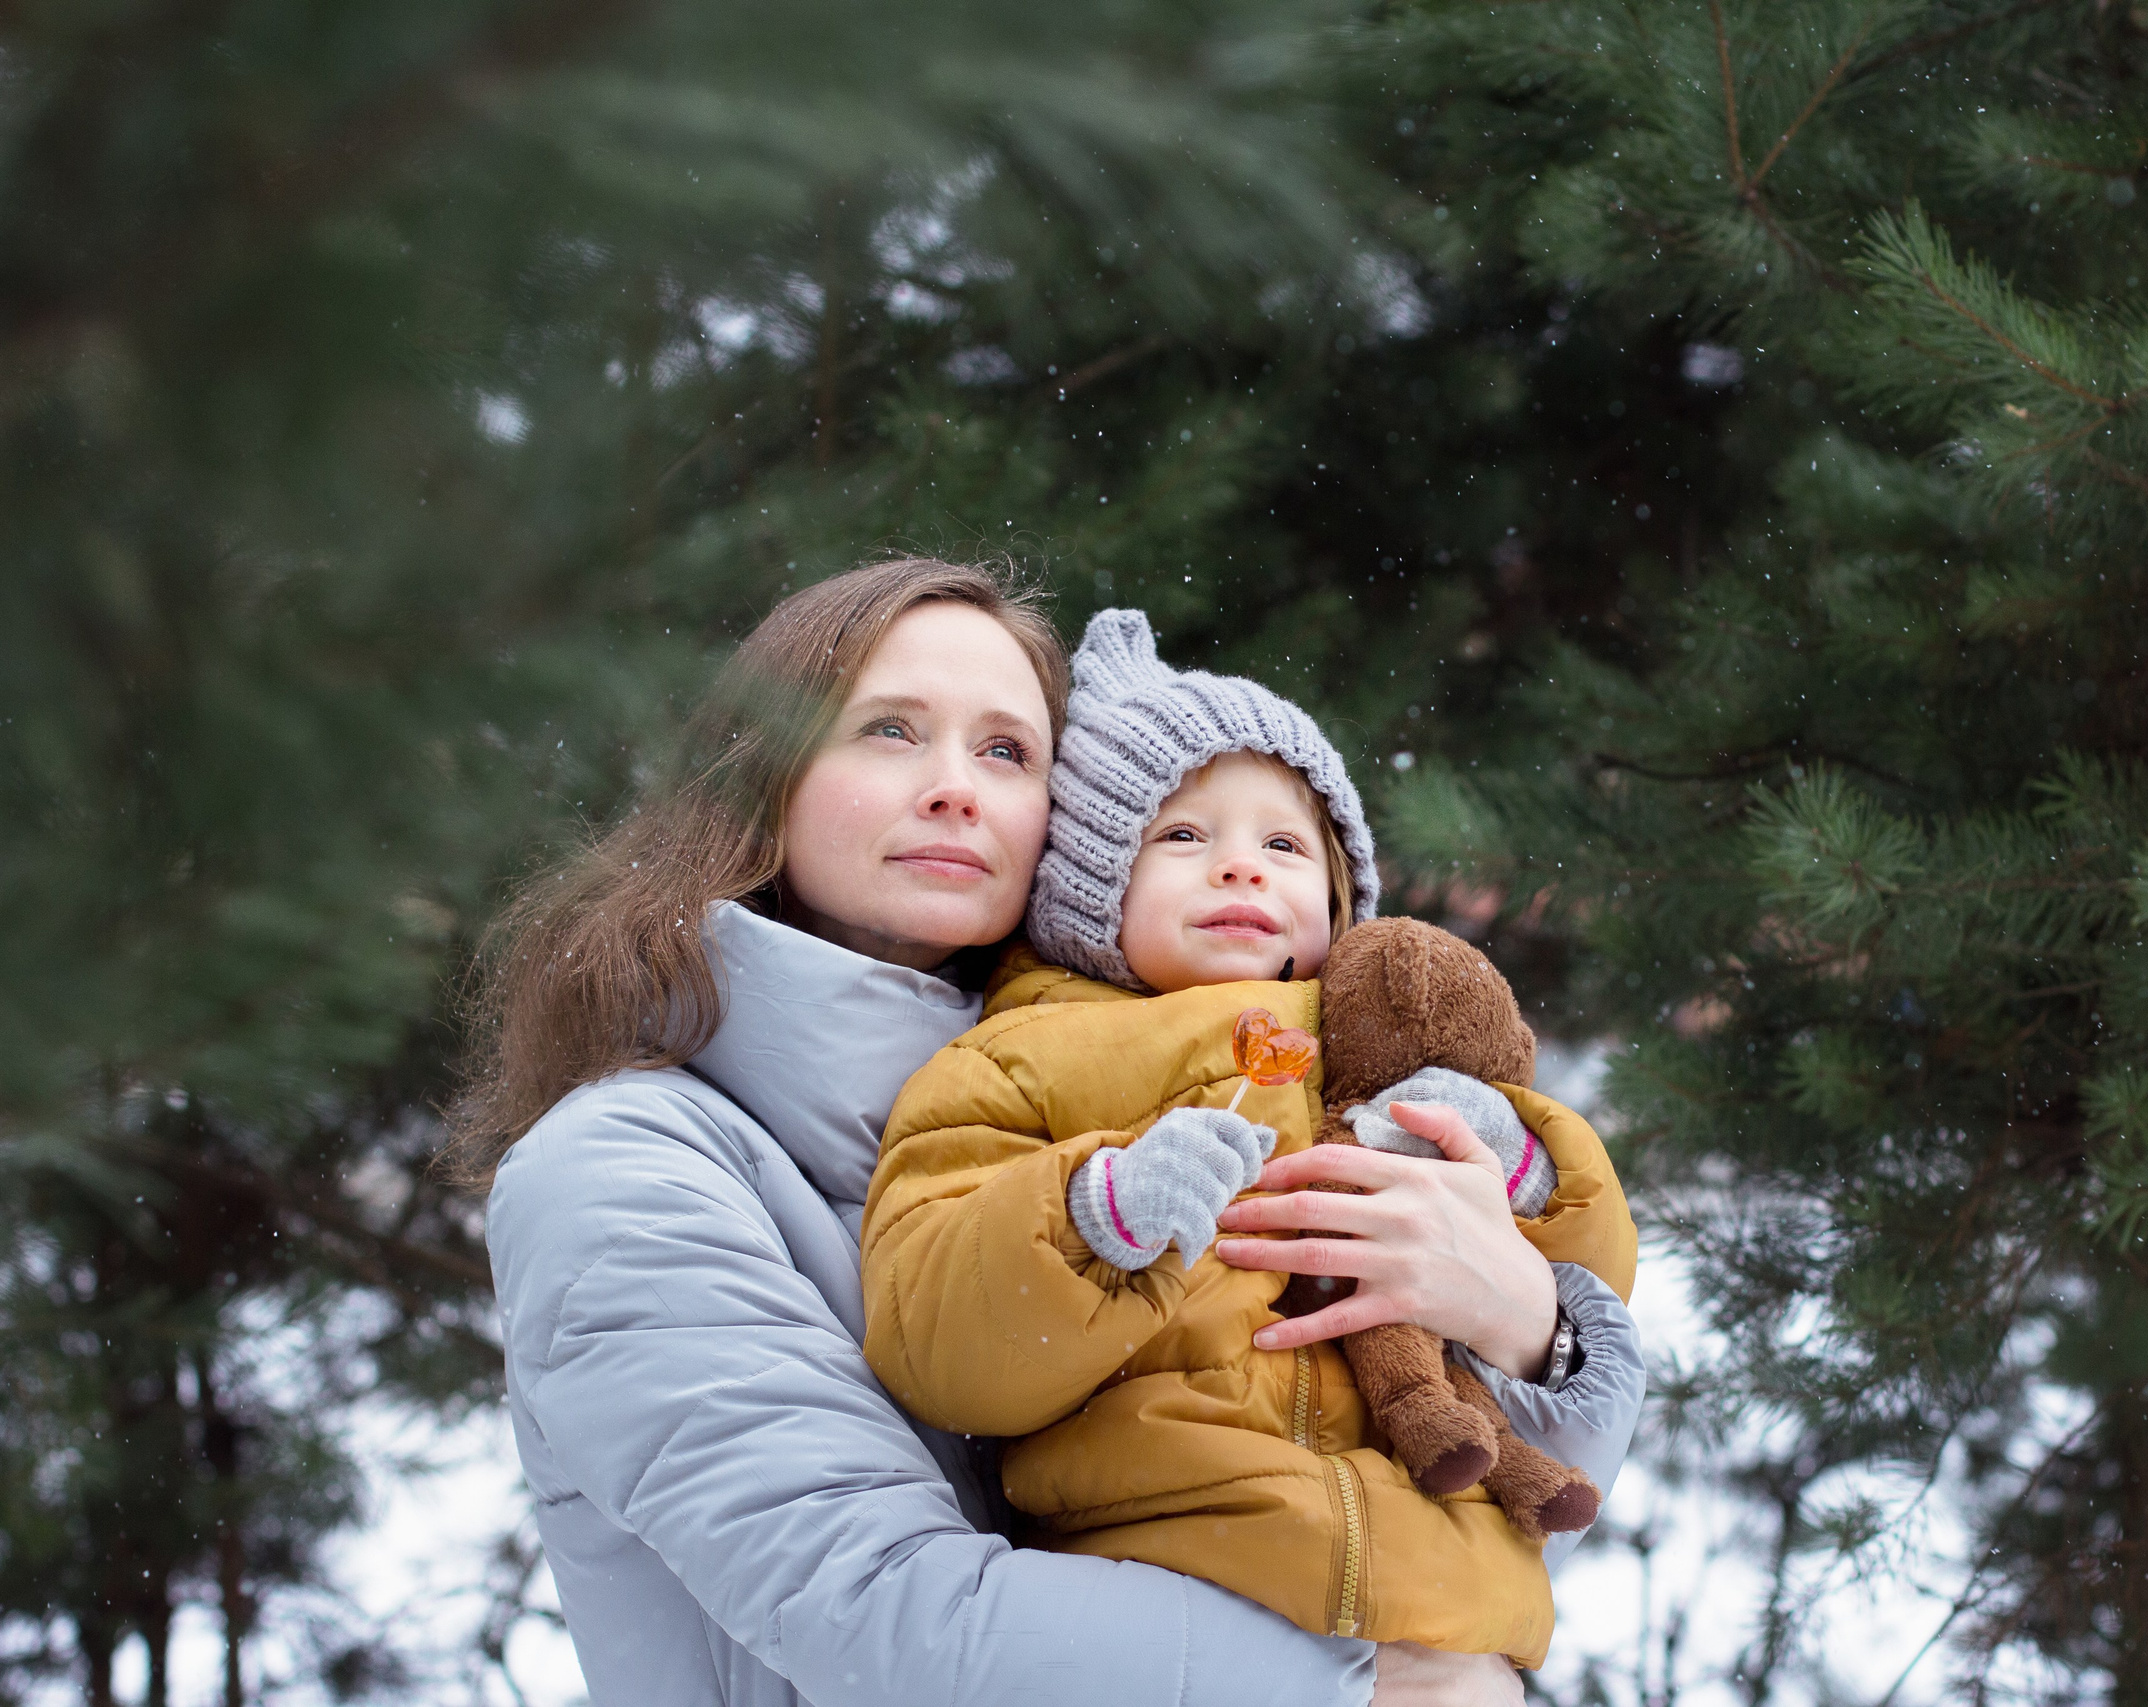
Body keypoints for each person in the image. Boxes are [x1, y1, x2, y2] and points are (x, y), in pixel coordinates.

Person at [443, 560, 1645, 1707]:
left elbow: (1371, 1463)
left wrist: (1529, 1329)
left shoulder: (1148, 1093)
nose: (957, 785)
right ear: (760, 779)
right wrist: (1359, 1686)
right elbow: (879, 1618)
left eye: (1007, 750)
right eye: (888, 729)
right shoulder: (620, 1169)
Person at [861, 609, 1635, 1667]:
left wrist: (1519, 1170)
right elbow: (939, 1347)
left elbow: (1589, 1286)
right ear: (1087, 885)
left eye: (1282, 844)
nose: (1241, 869)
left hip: (1449, 1606)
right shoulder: (1019, 1061)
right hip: (1181, 1587)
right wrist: (1093, 1212)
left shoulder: (1396, 1058)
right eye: (1182, 836)